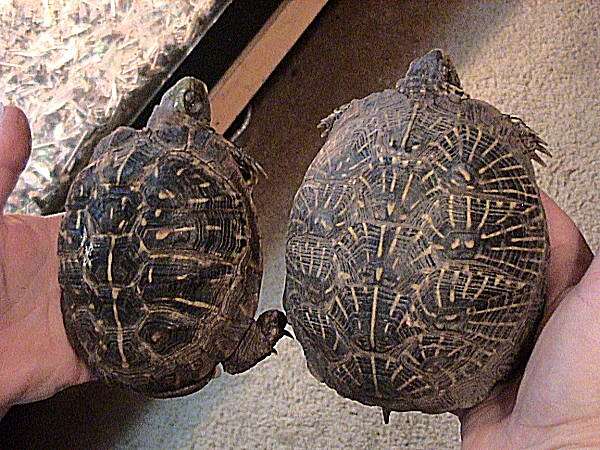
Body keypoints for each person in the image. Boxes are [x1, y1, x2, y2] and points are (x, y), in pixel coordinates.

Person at [0, 105, 597, 447]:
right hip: (490, 364)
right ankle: (242, 343)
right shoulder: (377, 121)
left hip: (131, 341)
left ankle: (241, 342)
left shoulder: (119, 149)